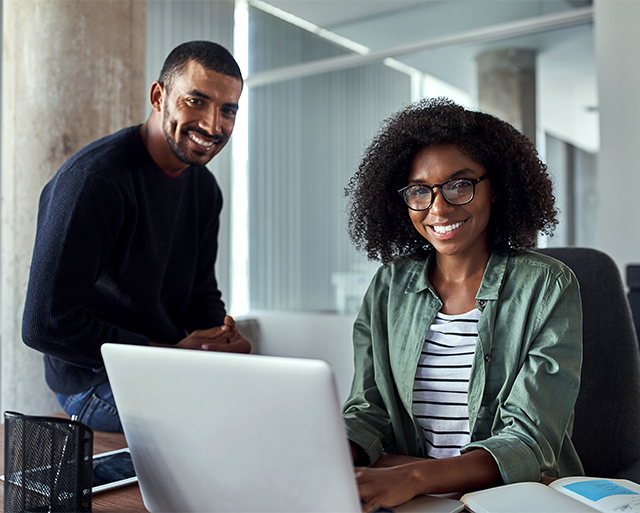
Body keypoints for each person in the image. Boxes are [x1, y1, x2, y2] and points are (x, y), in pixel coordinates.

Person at [341, 97, 584, 511]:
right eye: (420, 190)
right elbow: (370, 410)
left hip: (510, 498)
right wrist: (329, 458)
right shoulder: (389, 286)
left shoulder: (546, 286)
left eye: (459, 184)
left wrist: (414, 477)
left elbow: (526, 440)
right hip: (415, 498)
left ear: (496, 188)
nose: (438, 208)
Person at [22, 40, 250, 433]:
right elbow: (45, 324)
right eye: (196, 101)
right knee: (214, 431)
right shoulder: (94, 182)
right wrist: (168, 356)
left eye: (227, 110)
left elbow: (199, 294)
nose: (213, 125)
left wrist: (219, 342)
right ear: (159, 96)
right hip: (93, 381)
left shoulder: (205, 190)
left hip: (164, 367)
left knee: (264, 408)